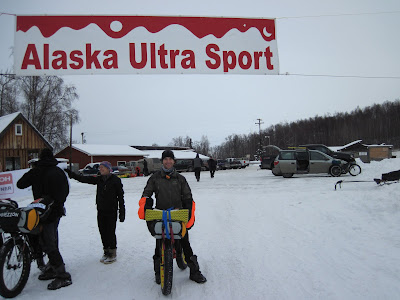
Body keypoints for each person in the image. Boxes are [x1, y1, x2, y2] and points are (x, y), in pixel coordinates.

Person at [140, 150, 207, 284]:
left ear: (174, 161)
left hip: (178, 214)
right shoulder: (155, 177)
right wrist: (147, 202)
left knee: (185, 243)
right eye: (165, 159)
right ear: (162, 161)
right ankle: (159, 273)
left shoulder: (180, 178)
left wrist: (188, 208)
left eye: (170, 159)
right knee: (159, 245)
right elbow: (147, 192)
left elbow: (187, 195)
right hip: (161, 214)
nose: (168, 161)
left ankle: (194, 271)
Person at [17, 148, 72, 290]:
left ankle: (63, 276)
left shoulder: (36, 171)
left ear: (40, 158)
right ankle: (53, 267)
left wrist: (33, 172)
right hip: (55, 210)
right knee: (49, 240)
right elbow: (65, 191)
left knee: (48, 242)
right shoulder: (58, 171)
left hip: (39, 211)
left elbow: (20, 184)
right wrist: (57, 203)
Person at [65, 161, 125, 264]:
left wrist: (122, 211)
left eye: (103, 167)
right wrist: (72, 175)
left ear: (108, 169)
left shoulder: (116, 180)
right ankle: (106, 251)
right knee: (102, 231)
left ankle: (112, 253)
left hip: (111, 210)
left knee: (110, 232)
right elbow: (84, 179)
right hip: (101, 210)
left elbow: (120, 197)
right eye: (100, 167)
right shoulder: (99, 179)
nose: (100, 169)